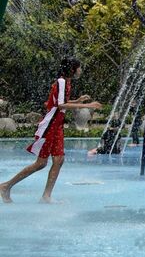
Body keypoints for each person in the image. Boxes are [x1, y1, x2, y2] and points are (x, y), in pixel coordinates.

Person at [2, 58, 102, 203]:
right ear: (72, 69)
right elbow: (61, 106)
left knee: (59, 160)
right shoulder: (61, 81)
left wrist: (78, 100)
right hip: (50, 126)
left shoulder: (66, 82)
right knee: (40, 163)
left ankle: (46, 196)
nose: (81, 70)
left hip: (57, 126)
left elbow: (59, 103)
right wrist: (90, 105)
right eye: (79, 68)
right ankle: (6, 186)